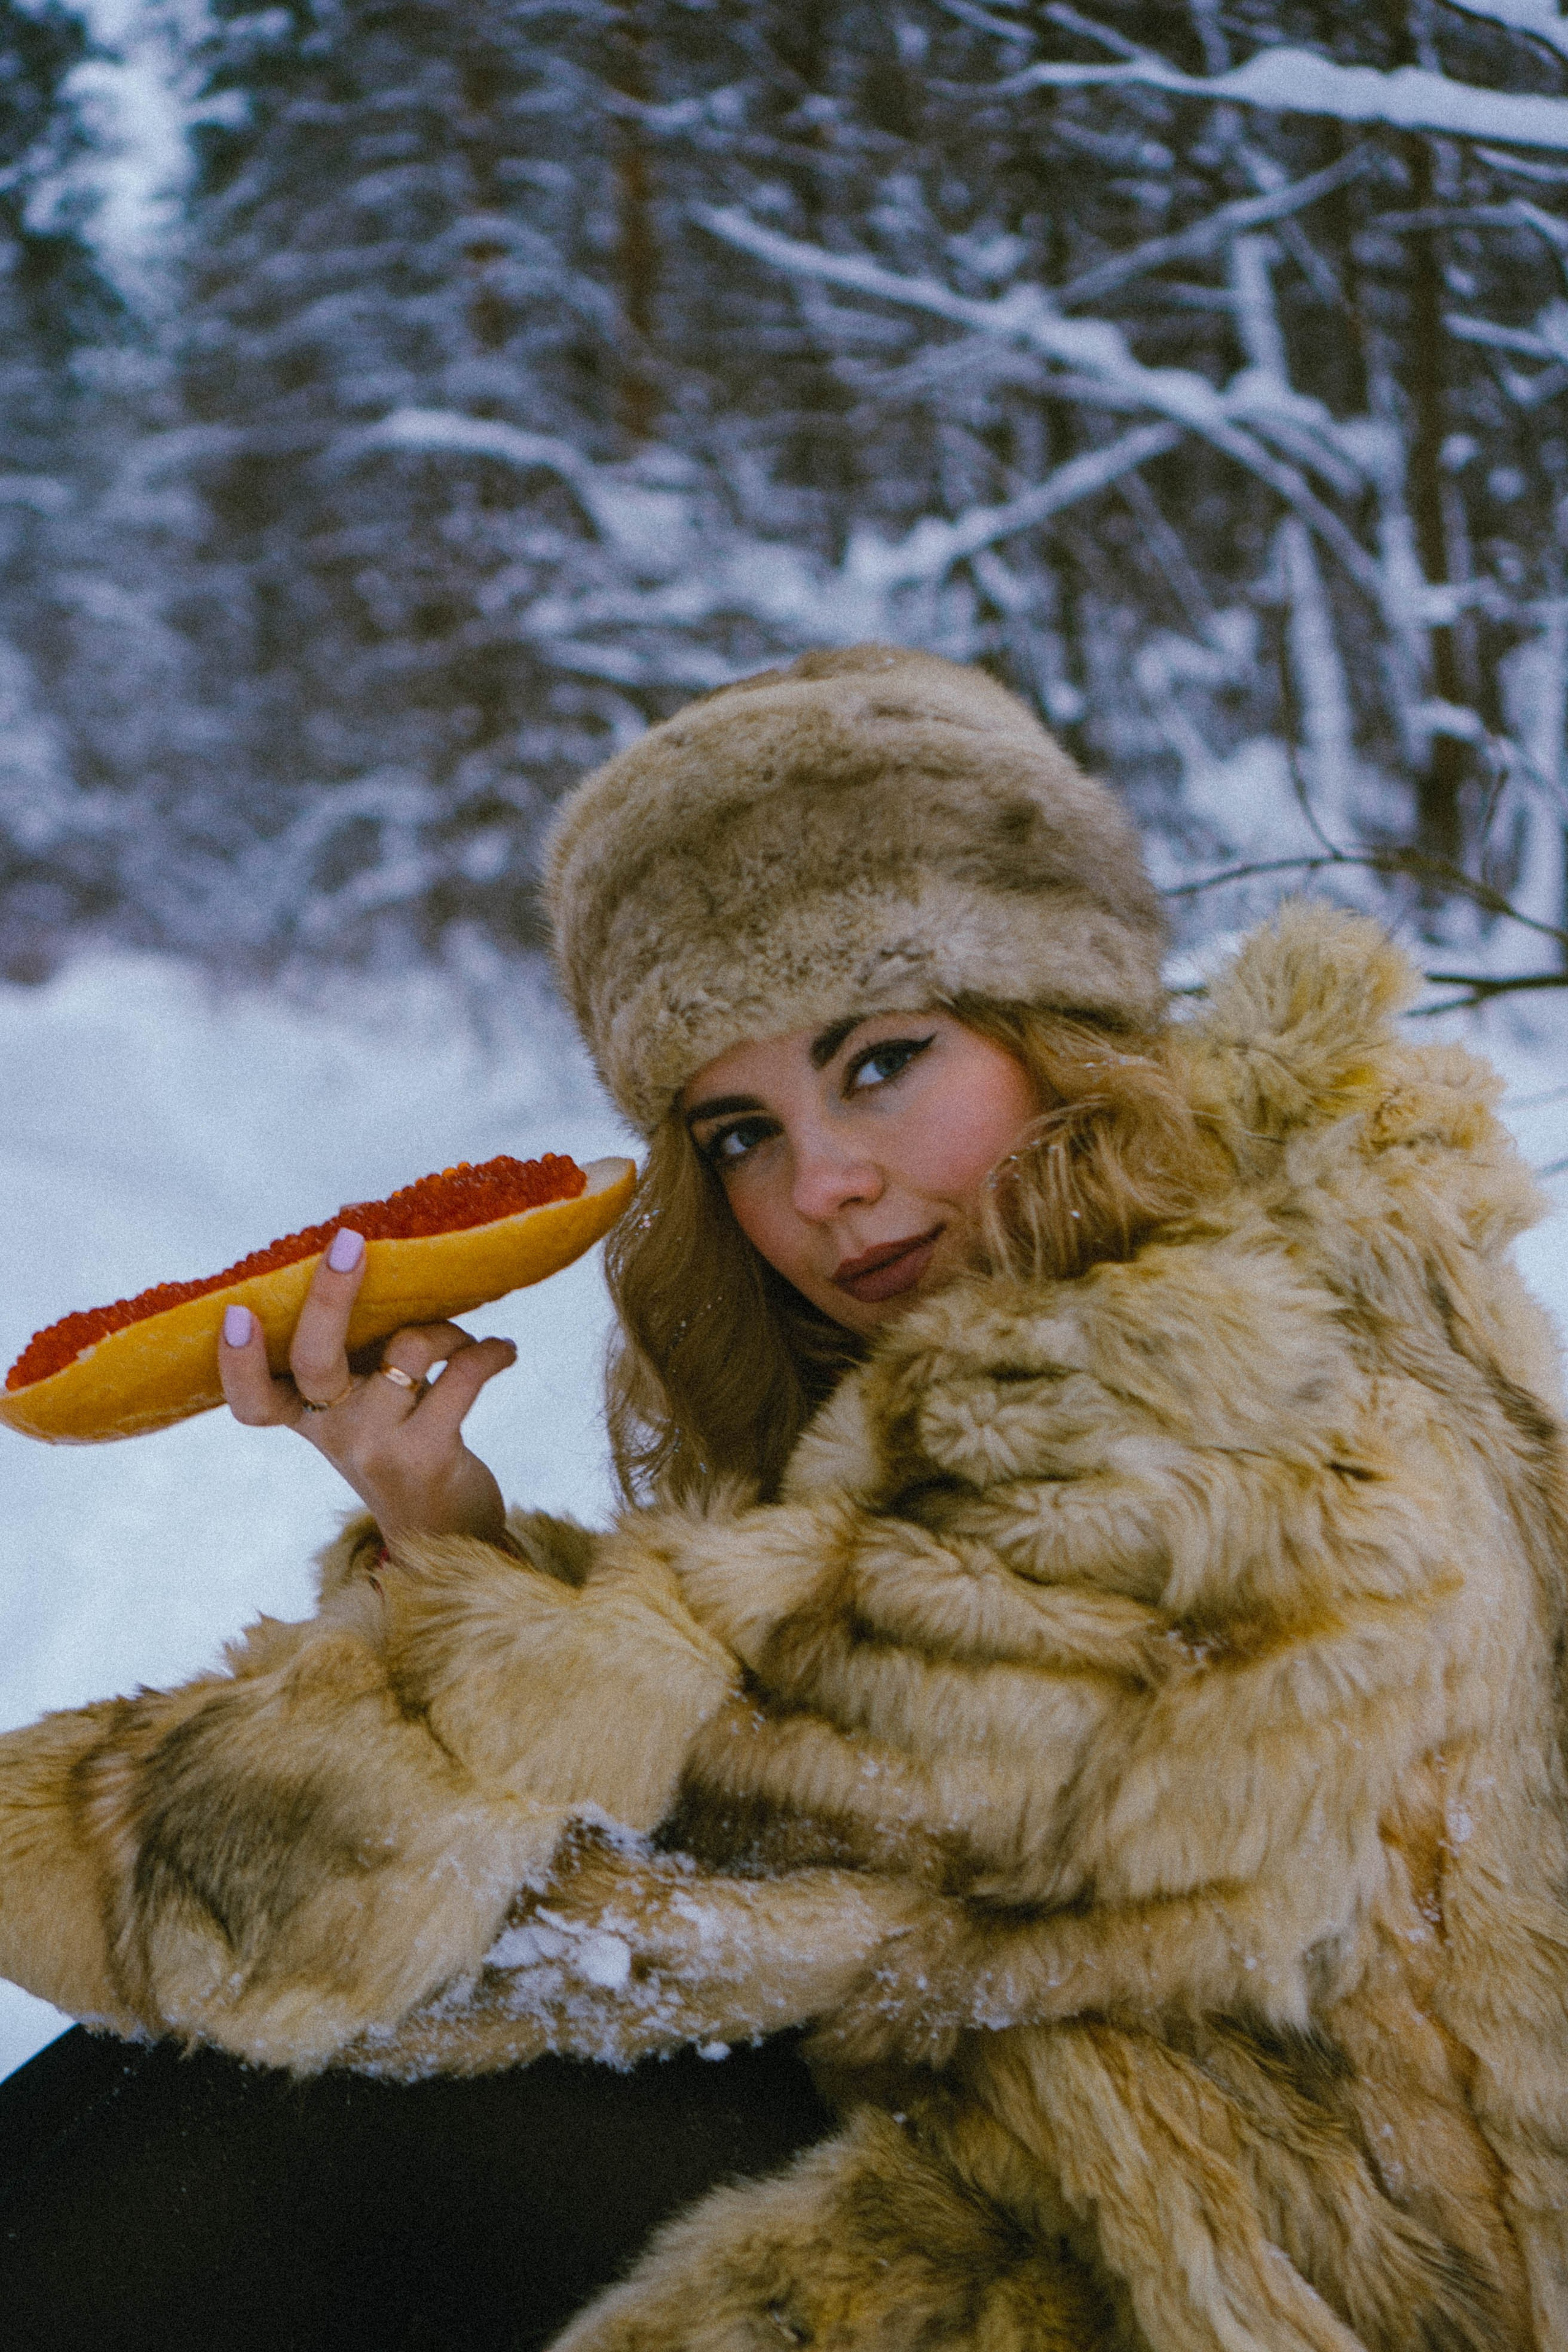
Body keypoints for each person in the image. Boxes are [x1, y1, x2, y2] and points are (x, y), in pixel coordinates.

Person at [1, 643, 1566, 2352]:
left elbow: (702, 1903)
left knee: (250, 2145)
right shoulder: (1243, 1264)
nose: (824, 1181)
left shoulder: (1211, 1409)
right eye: (737, 1129)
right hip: (1084, 2137)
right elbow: (776, 1776)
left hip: (1252, 2268)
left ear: (1061, 1030)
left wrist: (122, 1837)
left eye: (881, 1060)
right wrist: (436, 1529)